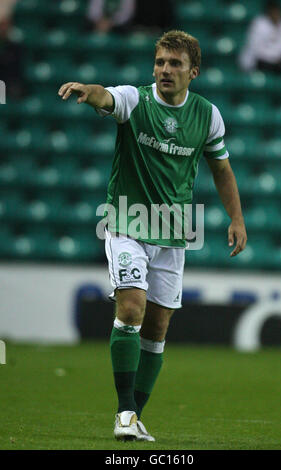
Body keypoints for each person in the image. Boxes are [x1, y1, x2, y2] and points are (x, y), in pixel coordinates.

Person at [58, 30, 247, 441]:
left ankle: (135, 415)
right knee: (130, 308)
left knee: (158, 328)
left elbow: (221, 169)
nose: (164, 70)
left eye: (174, 64)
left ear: (193, 72)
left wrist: (237, 218)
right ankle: (124, 412)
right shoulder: (135, 99)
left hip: (175, 232)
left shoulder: (208, 115)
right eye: (160, 62)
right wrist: (86, 91)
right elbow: (105, 96)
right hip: (126, 221)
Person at [239, 1, 281, 74]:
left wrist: (277, 58)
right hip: (258, 60)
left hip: (278, 61)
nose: (276, 14)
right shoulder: (258, 24)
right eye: (273, 12)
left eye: (277, 12)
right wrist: (272, 58)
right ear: (268, 12)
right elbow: (255, 47)